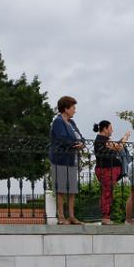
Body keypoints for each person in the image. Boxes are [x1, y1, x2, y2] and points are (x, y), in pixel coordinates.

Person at [49, 96, 84, 224]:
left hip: (71, 158)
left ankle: (71, 216)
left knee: (72, 189)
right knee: (61, 189)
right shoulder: (58, 121)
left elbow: (81, 137)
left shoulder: (72, 122)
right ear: (66, 108)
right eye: (73, 108)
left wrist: (81, 143)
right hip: (60, 159)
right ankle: (61, 217)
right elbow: (62, 138)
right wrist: (76, 143)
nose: (75, 110)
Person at [92, 121, 130, 225]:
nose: (112, 130)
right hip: (107, 170)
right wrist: (126, 137)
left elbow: (116, 146)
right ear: (105, 129)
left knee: (107, 192)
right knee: (107, 193)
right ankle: (105, 217)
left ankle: (106, 215)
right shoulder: (103, 140)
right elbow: (119, 147)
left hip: (108, 169)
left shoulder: (103, 140)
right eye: (110, 128)